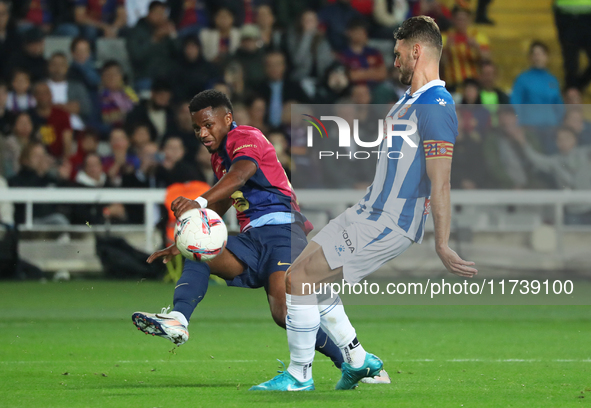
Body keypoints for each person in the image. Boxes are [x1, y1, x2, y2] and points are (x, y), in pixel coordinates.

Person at [252, 15, 477, 392]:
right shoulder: (407, 102)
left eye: (398, 53)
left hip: (389, 221)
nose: (395, 61)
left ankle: (299, 375)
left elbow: (441, 181)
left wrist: (441, 242)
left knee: (300, 280)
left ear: (417, 51)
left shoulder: (436, 105)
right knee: (303, 278)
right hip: (365, 211)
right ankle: (358, 361)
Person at [132, 90, 389, 383]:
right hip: (253, 239)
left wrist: (198, 202)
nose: (202, 133)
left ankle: (357, 365)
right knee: (199, 252)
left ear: (227, 119)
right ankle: (179, 319)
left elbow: (239, 176)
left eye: (208, 124)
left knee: (284, 312)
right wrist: (183, 241)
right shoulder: (219, 158)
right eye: (197, 128)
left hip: (283, 232)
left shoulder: (246, 136)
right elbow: (222, 202)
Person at [510, 41, 564, 129]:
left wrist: (560, 123)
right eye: (534, 54)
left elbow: (558, 105)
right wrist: (517, 123)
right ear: (530, 57)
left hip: (551, 127)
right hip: (530, 127)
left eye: (540, 54)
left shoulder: (553, 80)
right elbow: (515, 102)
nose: (537, 57)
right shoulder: (523, 79)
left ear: (547, 57)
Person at [441, 6, 490, 91]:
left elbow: (488, 60)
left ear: (469, 20)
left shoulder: (478, 37)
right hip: (452, 85)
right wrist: (446, 49)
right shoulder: (444, 38)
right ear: (453, 20)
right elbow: (441, 64)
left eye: (464, 19)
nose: (461, 22)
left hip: (473, 85)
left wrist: (476, 47)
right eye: (458, 19)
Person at [29, 82, 73, 161]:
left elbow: (67, 140)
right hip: (34, 159)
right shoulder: (29, 115)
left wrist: (65, 160)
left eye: (45, 93)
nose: (42, 96)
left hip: (57, 159)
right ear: (34, 96)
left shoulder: (62, 114)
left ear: (51, 95)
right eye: (39, 93)